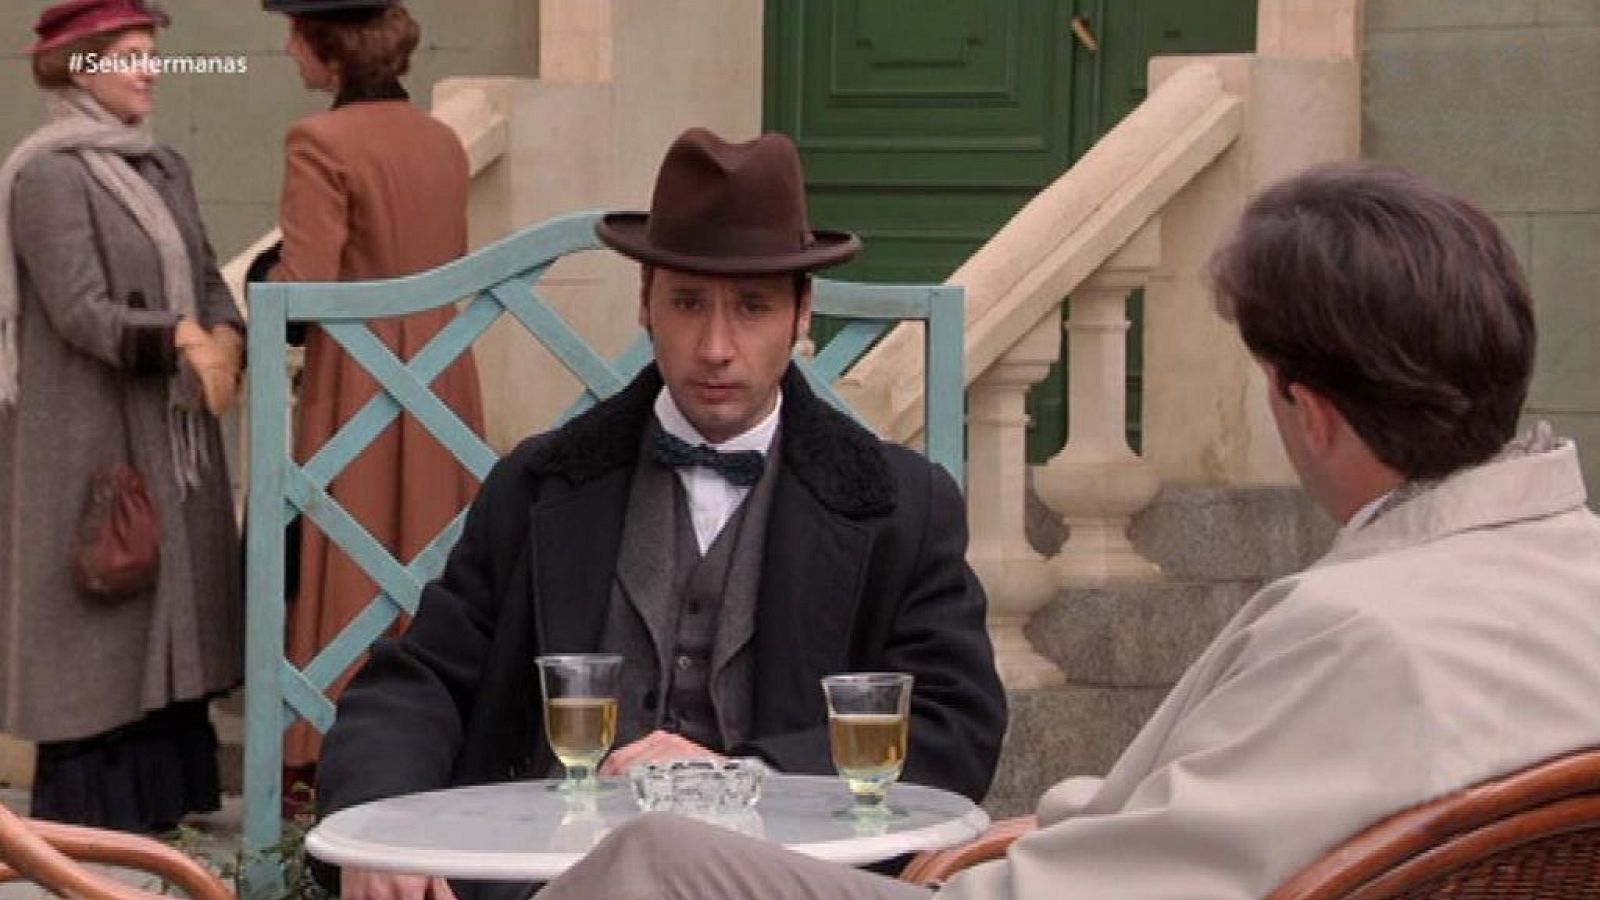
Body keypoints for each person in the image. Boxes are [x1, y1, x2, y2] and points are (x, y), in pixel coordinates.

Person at [536, 163, 1600, 900]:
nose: (717, 343)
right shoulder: (1570, 570)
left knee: (653, 864)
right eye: (689, 303)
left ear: (1307, 411)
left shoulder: (1358, 635)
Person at [315, 127, 1007, 900]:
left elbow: (953, 725)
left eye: (752, 307)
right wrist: (375, 829)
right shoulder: (540, 486)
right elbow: (421, 682)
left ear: (801, 314)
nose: (715, 346)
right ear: (644, 303)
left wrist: (749, 777)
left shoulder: (899, 506)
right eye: (687, 302)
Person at [0, 0, 245, 834]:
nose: (151, 70)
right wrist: (180, 338)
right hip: (90, 434)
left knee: (170, 611)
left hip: (172, 434)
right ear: (81, 66)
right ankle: (94, 810)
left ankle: (166, 794)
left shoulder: (164, 166)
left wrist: (225, 338)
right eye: (131, 54)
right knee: (107, 603)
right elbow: (80, 311)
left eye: (152, 53)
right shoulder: (46, 175)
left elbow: (207, 275)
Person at [258, 0, 486, 790]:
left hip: (359, 374)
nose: (287, 50)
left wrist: (255, 289)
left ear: (329, 47)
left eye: (295, 35)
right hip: (443, 368)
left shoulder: (318, 141)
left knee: (350, 554)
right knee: (429, 545)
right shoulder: (441, 141)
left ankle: (325, 748)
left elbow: (304, 289)